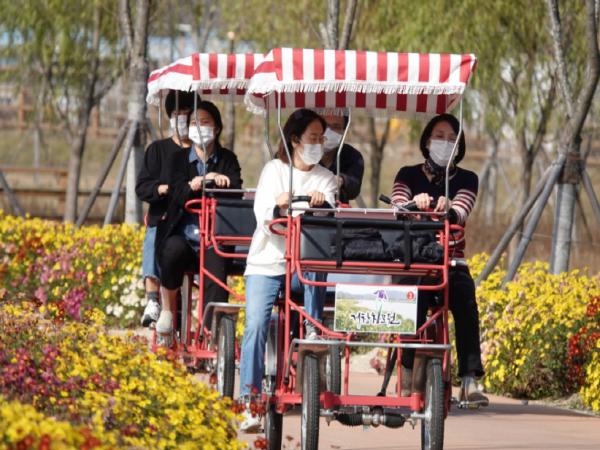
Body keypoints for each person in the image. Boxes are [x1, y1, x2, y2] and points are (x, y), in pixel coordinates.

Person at [239, 109, 337, 432]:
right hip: (267, 262)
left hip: (302, 268)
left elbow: (329, 224)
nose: (318, 144)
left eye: (321, 139)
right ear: (295, 140)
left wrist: (321, 207)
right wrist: (280, 206)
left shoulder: (326, 178)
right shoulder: (273, 171)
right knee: (255, 324)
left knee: (317, 257)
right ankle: (249, 400)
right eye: (312, 138)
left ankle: (312, 326)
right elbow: (263, 219)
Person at [390, 113, 488, 406]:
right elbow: (398, 206)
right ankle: (407, 371)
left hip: (450, 260)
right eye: (439, 136)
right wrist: (414, 204)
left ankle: (469, 379)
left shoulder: (467, 179)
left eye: (451, 139)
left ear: (459, 146)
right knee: (411, 299)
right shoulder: (407, 174)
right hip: (415, 259)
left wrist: (448, 207)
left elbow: (460, 210)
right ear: (426, 141)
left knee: (466, 300)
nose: (445, 143)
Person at [154, 100, 242, 343]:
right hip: (183, 235)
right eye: (194, 123)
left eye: (205, 122)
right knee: (172, 250)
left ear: (216, 128)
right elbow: (175, 193)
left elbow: (236, 191)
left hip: (213, 237)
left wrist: (218, 180)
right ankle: (167, 311)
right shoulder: (178, 159)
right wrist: (193, 185)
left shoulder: (228, 159)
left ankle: (211, 331)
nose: (199, 127)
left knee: (216, 264)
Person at [136, 90, 199, 327]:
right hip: (164, 217)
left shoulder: (201, 152)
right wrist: (161, 189)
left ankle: (204, 305)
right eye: (176, 113)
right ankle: (153, 299)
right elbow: (142, 187)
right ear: (170, 116)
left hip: (194, 220)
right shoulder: (158, 150)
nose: (181, 117)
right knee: (155, 233)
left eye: (186, 112)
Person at [320, 114, 364, 204]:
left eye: (336, 127)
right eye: (325, 125)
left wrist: (342, 180)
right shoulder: (304, 152)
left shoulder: (352, 156)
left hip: (338, 210)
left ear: (344, 131)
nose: (329, 131)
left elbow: (354, 188)